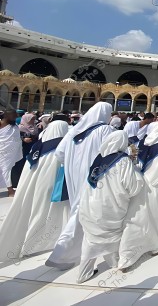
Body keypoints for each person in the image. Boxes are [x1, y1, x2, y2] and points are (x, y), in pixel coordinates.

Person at [46, 102, 114, 270]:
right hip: (94, 175)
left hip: (74, 175)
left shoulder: (73, 131)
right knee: (84, 211)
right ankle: (61, 255)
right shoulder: (105, 130)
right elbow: (112, 153)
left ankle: (77, 251)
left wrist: (74, 163)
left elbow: (59, 154)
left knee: (78, 207)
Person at [77, 131, 144, 283]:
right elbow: (132, 186)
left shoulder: (98, 158)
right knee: (111, 236)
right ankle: (109, 263)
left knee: (91, 238)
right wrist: (137, 172)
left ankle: (89, 270)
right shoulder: (123, 161)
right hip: (110, 206)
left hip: (90, 204)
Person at [0, 121, 69, 263]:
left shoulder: (38, 146)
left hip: (33, 188)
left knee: (34, 211)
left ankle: (27, 243)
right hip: (52, 189)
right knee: (46, 213)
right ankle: (36, 244)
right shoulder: (60, 148)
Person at [118, 122, 158, 269]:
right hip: (157, 189)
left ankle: (127, 255)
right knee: (156, 216)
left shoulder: (140, 145)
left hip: (140, 185)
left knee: (136, 216)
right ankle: (156, 246)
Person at [11, 113, 39, 189]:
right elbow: (14, 138)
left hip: (32, 148)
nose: (33, 121)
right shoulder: (19, 128)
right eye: (31, 119)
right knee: (19, 165)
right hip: (22, 148)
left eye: (33, 119)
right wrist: (23, 139)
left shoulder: (35, 128)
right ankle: (16, 183)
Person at [0, 109, 22, 197]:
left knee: (6, 169)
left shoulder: (14, 126)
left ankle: (10, 190)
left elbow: (16, 139)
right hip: (2, 150)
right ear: (7, 116)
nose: (15, 118)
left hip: (10, 153)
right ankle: (10, 190)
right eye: (13, 116)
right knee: (5, 170)